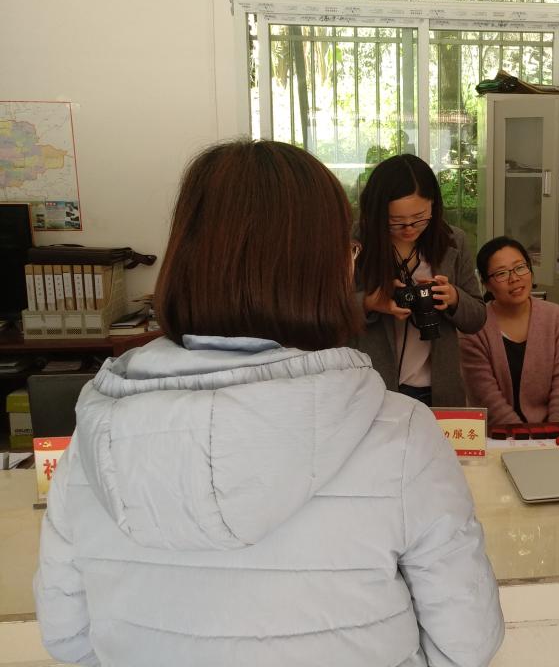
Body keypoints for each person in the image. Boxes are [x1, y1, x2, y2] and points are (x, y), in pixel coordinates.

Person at [33, 140, 504, 667]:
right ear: (326, 265)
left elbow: (68, 638)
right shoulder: (403, 435)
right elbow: (465, 643)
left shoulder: (93, 439)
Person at [352, 154, 486, 407]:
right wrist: (370, 302)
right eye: (395, 221)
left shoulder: (453, 241)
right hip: (372, 387)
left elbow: (477, 317)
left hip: (436, 389)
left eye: (420, 217)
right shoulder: (354, 243)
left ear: (433, 204)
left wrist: (453, 297)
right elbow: (328, 313)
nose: (409, 228)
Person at [459, 236, 559, 425]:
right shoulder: (474, 325)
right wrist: (522, 436)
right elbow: (488, 399)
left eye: (520, 268)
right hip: (495, 433)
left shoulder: (555, 317)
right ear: (486, 283)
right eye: (501, 273)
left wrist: (557, 433)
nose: (514, 279)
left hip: (550, 432)